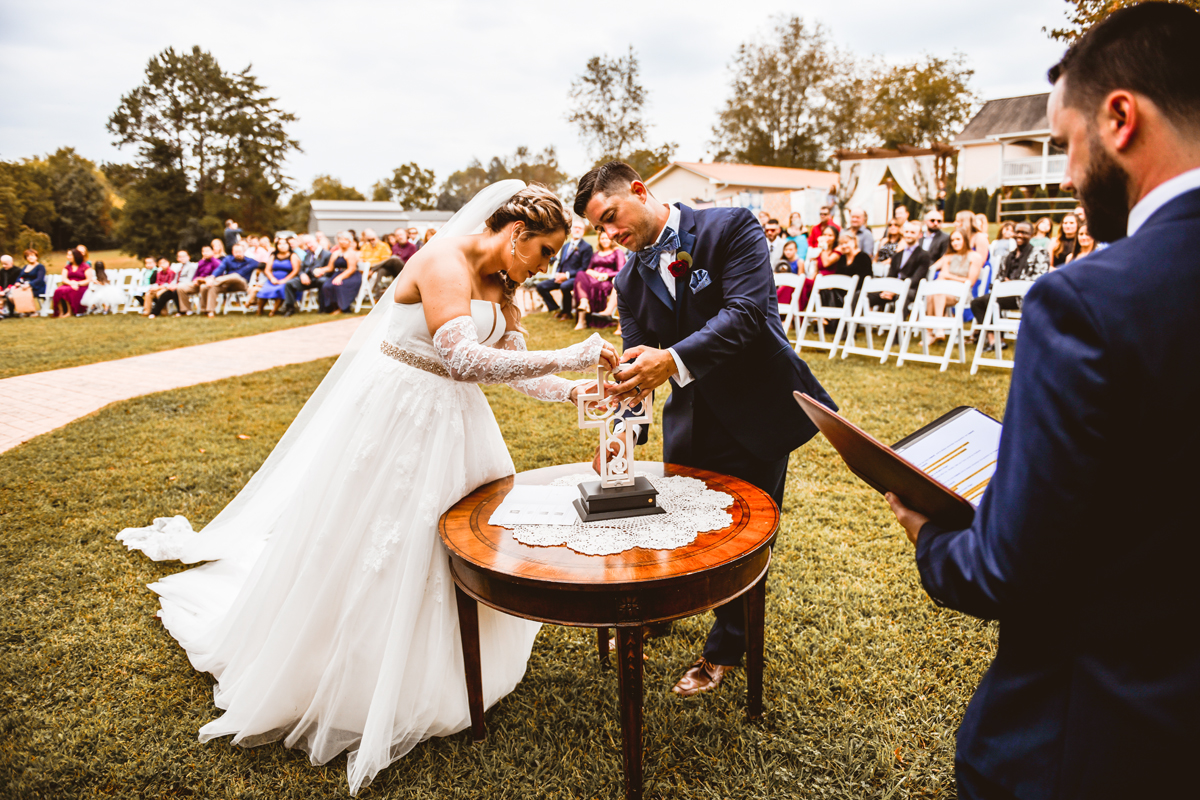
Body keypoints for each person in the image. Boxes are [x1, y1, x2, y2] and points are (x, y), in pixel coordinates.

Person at [115, 182, 618, 795]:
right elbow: (460, 355)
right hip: (397, 415)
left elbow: (510, 369)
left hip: (456, 423)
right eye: (543, 252)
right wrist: (566, 356)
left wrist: (572, 391)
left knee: (458, 542)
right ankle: (347, 671)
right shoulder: (443, 259)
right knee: (378, 539)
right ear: (515, 234)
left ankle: (449, 670)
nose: (547, 266)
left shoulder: (506, 285)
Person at [886, 6, 1200, 797]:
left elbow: (1005, 571)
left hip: (1098, 734)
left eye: (1066, 144)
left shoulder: (1087, 302)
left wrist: (932, 535)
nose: (1064, 175)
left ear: (1120, 117)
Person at [575, 161, 835, 697]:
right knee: (682, 527)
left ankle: (724, 649)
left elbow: (746, 316)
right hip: (690, 421)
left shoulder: (730, 227)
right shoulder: (627, 278)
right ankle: (670, 606)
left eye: (610, 217)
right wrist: (622, 432)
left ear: (640, 191)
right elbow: (634, 365)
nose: (609, 236)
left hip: (757, 408)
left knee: (744, 538)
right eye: (599, 229)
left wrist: (669, 361)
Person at [968, 220, 1050, 344]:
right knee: (977, 303)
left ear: (1031, 235)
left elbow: (1040, 278)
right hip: (1004, 294)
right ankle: (995, 340)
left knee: (989, 301)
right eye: (1017, 232)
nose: (1020, 235)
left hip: (1025, 296)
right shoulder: (1008, 255)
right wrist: (1002, 284)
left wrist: (1013, 283)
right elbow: (998, 278)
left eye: (1024, 233)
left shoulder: (1039, 253)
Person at [926, 228, 984, 327]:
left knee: (937, 293)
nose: (955, 243)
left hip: (963, 292)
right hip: (944, 291)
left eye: (958, 239)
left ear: (965, 240)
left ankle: (936, 329)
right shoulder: (948, 256)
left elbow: (970, 282)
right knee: (932, 294)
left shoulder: (975, 257)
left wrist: (949, 276)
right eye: (952, 240)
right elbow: (941, 277)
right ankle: (932, 331)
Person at [535, 220, 591, 318]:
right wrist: (557, 274)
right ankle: (555, 308)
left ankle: (567, 312)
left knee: (565, 286)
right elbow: (561, 262)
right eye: (575, 227)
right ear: (571, 230)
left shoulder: (587, 247)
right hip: (561, 276)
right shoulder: (565, 246)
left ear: (583, 231)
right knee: (541, 286)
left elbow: (584, 268)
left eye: (580, 228)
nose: (577, 230)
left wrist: (567, 275)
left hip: (575, 278)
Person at [572, 229, 625, 330]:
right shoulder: (596, 253)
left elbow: (620, 271)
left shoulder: (617, 252)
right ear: (599, 240)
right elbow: (588, 268)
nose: (604, 240)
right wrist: (591, 272)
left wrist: (605, 275)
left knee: (588, 286)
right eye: (602, 238)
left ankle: (582, 320)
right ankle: (584, 303)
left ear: (611, 239)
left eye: (606, 238)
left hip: (608, 281)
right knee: (580, 274)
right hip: (593, 278)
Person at [875, 221, 931, 313]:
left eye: (912, 233)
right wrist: (888, 289)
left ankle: (897, 326)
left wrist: (895, 290)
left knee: (903, 296)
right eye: (907, 232)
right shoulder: (897, 255)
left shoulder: (924, 255)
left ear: (920, 235)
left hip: (911, 290)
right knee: (864, 294)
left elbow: (916, 279)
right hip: (893, 289)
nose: (909, 235)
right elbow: (891, 275)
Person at [200, 244, 261, 317]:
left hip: (242, 284)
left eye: (240, 252)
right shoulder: (228, 259)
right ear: (232, 252)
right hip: (228, 285)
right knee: (212, 287)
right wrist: (213, 276)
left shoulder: (251, 261)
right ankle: (209, 311)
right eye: (236, 252)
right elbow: (220, 269)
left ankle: (211, 280)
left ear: (244, 251)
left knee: (235, 275)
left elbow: (264, 265)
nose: (238, 254)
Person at [283, 235, 333, 315]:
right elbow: (301, 268)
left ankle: (323, 308)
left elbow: (330, 270)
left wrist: (321, 273)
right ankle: (290, 308)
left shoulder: (327, 254)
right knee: (290, 283)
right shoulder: (308, 254)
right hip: (307, 280)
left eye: (310, 243)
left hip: (320, 279)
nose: (309, 246)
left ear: (316, 241)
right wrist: (302, 274)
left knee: (322, 281)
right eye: (307, 244)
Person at [253, 239, 301, 316]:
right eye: (280, 244)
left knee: (281, 289)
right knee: (264, 291)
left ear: (288, 245)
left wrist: (285, 280)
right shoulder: (273, 255)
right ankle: (259, 310)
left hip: (286, 279)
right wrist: (271, 278)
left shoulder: (293, 255)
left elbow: (295, 271)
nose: (282, 246)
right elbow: (267, 270)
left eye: (284, 244)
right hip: (273, 279)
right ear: (277, 246)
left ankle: (273, 311)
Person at [321, 232, 363, 315]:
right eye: (341, 239)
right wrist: (320, 270)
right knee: (326, 286)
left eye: (346, 240)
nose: (343, 241)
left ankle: (342, 307)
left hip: (351, 275)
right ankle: (331, 307)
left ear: (350, 242)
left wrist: (340, 277)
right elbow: (330, 267)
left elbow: (352, 269)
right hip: (337, 274)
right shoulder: (335, 253)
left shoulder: (352, 253)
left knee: (339, 285)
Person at [176, 246, 222, 315]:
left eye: (207, 251)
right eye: (204, 251)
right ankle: (185, 310)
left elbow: (218, 275)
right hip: (198, 283)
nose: (205, 253)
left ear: (212, 252)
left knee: (203, 287)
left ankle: (205, 310)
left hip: (209, 283)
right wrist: (195, 280)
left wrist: (212, 258)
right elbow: (196, 274)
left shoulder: (216, 262)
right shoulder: (201, 262)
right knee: (181, 287)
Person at [51, 249, 91, 317]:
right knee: (58, 290)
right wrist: (71, 283)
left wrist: (77, 284)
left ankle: (69, 312)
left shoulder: (85, 266)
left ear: (76, 256)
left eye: (70, 255)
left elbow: (89, 280)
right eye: (68, 255)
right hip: (68, 284)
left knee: (69, 290)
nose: (67, 257)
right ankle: (61, 312)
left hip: (82, 286)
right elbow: (64, 279)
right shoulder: (67, 267)